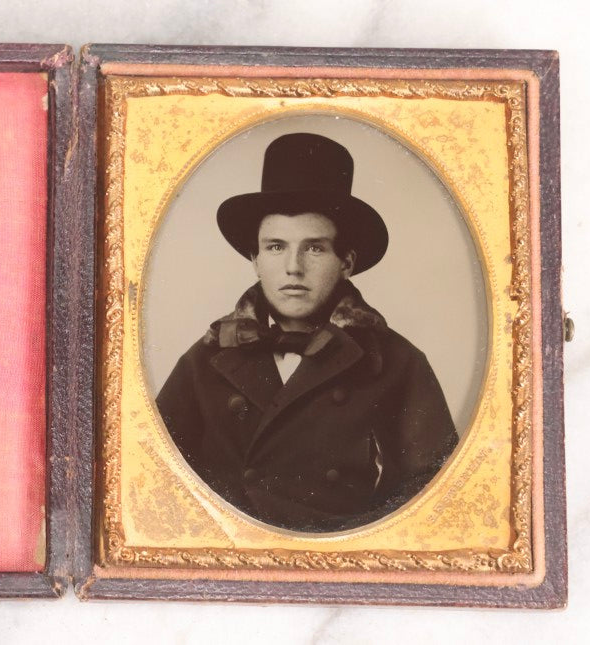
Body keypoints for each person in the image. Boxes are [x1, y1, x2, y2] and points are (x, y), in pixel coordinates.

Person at [155, 132, 458, 533]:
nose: (293, 268)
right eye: (276, 247)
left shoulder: (395, 362)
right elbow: (155, 473)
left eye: (314, 248)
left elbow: (432, 488)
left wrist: (350, 540)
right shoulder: (209, 358)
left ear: (346, 262)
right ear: (255, 259)